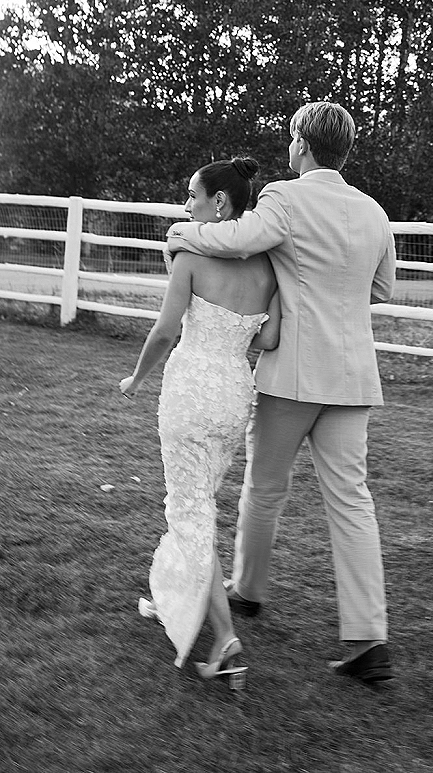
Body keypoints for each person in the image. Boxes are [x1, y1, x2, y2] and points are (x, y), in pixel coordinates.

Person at [164, 102, 397, 684]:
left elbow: (239, 239)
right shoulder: (373, 212)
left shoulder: (284, 199)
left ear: (301, 144)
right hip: (352, 378)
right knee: (352, 500)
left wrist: (182, 232)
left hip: (292, 374)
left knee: (263, 488)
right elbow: (383, 288)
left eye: (291, 136)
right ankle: (369, 639)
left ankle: (248, 590)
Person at [119, 157, 280, 684]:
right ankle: (176, 597)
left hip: (189, 393)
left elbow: (166, 331)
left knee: (190, 513)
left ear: (220, 203)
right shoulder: (267, 269)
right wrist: (232, 340)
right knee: (196, 506)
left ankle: (226, 637)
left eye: (193, 196)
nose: (186, 206)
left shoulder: (188, 256)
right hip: (234, 396)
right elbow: (271, 339)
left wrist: (136, 379)